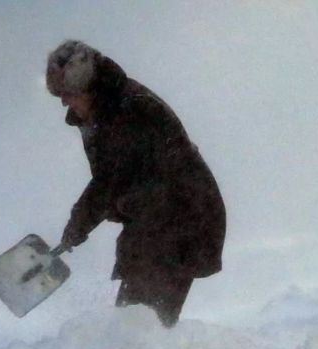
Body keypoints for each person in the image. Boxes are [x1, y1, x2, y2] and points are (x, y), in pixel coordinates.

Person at [46, 40, 226, 327]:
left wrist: (78, 225)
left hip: (181, 221)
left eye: (68, 93)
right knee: (136, 325)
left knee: (142, 328)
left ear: (88, 88)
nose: (64, 102)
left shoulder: (131, 111)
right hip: (155, 222)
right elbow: (109, 179)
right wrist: (76, 226)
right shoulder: (105, 112)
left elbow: (112, 182)